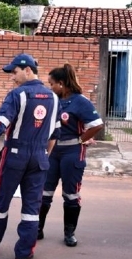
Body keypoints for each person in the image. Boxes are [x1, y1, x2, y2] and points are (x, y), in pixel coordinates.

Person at [0, 53, 61, 259]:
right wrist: (44, 155)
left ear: (28, 70)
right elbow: (54, 135)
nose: (12, 78)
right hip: (39, 158)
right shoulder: (54, 98)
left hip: (14, 156)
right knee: (31, 207)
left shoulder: (17, 95)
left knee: (0, 202)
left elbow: (0, 124)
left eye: (15, 72)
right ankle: (23, 254)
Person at [39, 63, 104, 247]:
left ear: (61, 83)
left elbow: (97, 124)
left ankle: (69, 233)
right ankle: (38, 229)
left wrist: (82, 140)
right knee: (44, 192)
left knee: (71, 195)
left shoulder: (80, 101)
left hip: (72, 153)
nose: (50, 87)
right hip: (52, 152)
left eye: (52, 84)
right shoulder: (53, 99)